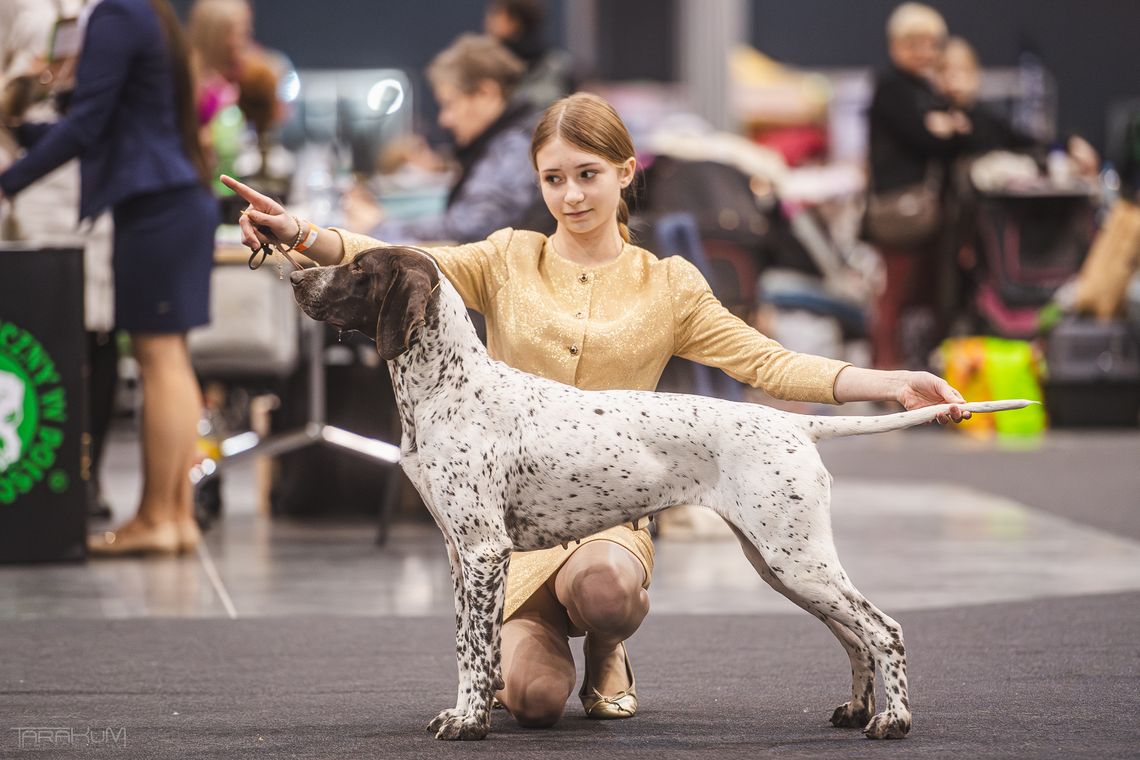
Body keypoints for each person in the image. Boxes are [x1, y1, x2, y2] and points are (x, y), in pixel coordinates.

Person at [225, 91, 969, 728]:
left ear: (624, 173)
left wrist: (894, 383)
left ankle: (861, 659)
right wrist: (296, 232)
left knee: (788, 576)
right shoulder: (504, 256)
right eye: (554, 179)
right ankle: (526, 665)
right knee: (538, 702)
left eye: (588, 175)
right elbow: (388, 258)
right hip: (517, 542)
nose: (573, 194)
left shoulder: (670, 283)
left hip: (613, 522)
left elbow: (768, 362)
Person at [0, 0, 218, 556]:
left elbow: (88, 123)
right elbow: (105, 116)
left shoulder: (117, 14)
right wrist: (25, 128)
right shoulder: (146, 12)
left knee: (159, 361)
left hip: (156, 207)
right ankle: (174, 519)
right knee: (170, 360)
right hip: (170, 201)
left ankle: (157, 517)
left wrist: (10, 181)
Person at [343, 33, 552, 244]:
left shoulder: (515, 146)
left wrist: (378, 227)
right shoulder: (513, 138)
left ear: (485, 93)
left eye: (449, 104)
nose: (444, 120)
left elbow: (467, 231)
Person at [864, 3, 964, 370]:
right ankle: (885, 375)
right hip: (900, 211)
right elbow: (928, 139)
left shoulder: (927, 92)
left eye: (930, 44)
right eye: (913, 44)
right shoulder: (893, 90)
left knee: (921, 296)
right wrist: (942, 127)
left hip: (924, 212)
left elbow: (949, 135)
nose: (923, 52)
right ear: (895, 45)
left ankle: (911, 372)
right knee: (893, 297)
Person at [483, 0, 573, 111]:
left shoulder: (559, 65)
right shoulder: (559, 61)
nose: (488, 22)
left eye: (496, 14)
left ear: (514, 21)